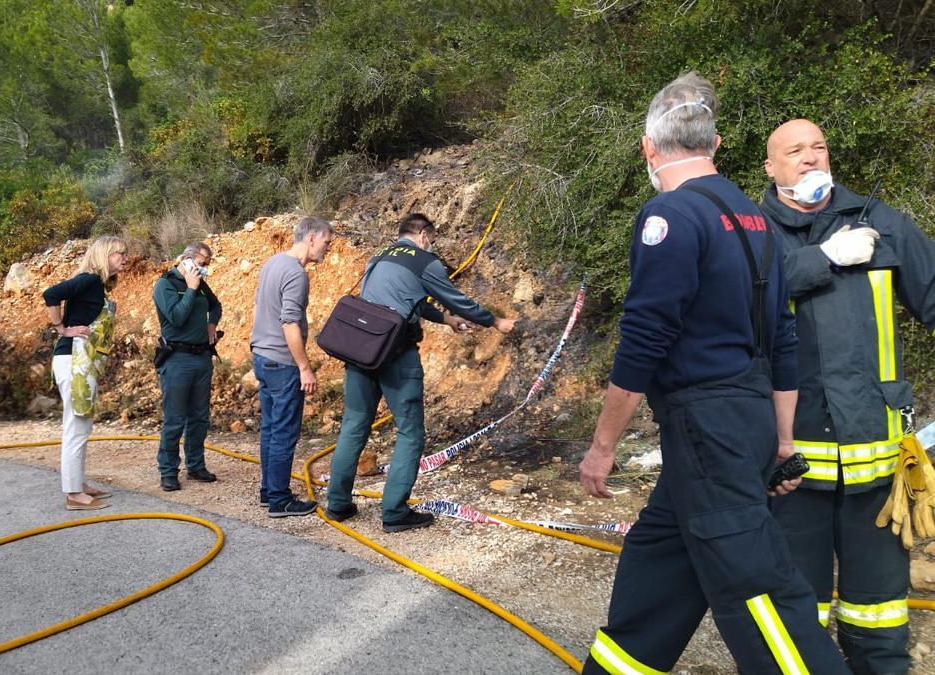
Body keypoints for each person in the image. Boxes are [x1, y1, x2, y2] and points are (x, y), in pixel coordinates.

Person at [577, 73, 848, 674]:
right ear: (716, 144)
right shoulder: (755, 222)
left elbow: (644, 341)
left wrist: (602, 447)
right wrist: (780, 442)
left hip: (708, 428)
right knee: (658, 565)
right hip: (743, 423)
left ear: (650, 148)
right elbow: (783, 340)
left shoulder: (669, 216)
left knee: (759, 595)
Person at [761, 118, 935, 674]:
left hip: (879, 465)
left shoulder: (881, 224)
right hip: (789, 467)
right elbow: (736, 293)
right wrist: (825, 259)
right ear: (771, 168)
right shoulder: (751, 231)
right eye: (795, 151)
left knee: (879, 616)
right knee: (794, 615)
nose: (810, 158)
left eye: (819, 147)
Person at [324, 213, 516, 533]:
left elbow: (406, 299)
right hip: (396, 353)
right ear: (425, 234)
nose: (433, 244)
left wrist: (445, 320)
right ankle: (395, 512)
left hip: (360, 349)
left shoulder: (380, 257)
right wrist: (494, 322)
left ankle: (338, 504)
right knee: (411, 432)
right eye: (433, 238)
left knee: (355, 425)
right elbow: (458, 300)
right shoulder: (425, 261)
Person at [250, 216, 335, 517]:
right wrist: (304, 367)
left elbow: (258, 307)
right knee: (284, 433)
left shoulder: (272, 263)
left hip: (262, 357)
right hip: (283, 363)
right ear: (312, 237)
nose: (328, 247)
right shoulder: (297, 275)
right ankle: (279, 500)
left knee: (271, 429)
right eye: (326, 241)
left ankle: (268, 490)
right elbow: (289, 323)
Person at [42, 235, 130, 510]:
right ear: (104, 255)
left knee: (81, 424)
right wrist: (61, 328)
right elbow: (51, 294)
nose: (125, 258)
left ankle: (79, 484)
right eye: (120, 254)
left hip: (82, 362)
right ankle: (73, 494)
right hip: (73, 360)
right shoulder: (90, 279)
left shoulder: (98, 286)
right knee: (76, 426)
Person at [152, 242, 222, 491]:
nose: (204, 270)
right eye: (202, 264)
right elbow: (177, 317)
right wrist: (191, 290)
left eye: (207, 265)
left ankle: (196, 466)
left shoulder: (201, 284)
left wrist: (211, 323)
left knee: (199, 417)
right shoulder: (165, 284)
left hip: (201, 358)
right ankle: (168, 471)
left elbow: (216, 305)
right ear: (188, 259)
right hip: (177, 359)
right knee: (175, 419)